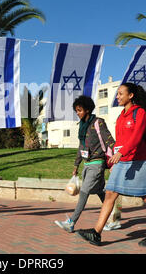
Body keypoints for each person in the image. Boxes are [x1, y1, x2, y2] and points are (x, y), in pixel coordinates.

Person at [77, 83, 146, 247]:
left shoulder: (139, 113)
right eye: (117, 94)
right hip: (122, 161)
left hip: (140, 161)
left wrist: (121, 153)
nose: (117, 96)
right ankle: (96, 233)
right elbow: (120, 141)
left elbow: (137, 137)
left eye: (120, 93)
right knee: (110, 194)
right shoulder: (121, 116)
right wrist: (113, 157)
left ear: (130, 95)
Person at [54, 95, 115, 233]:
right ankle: (114, 217)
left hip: (97, 163)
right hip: (87, 165)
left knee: (84, 192)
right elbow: (81, 147)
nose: (78, 113)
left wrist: (117, 159)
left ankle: (71, 222)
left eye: (80, 110)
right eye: (76, 110)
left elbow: (109, 140)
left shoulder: (98, 123)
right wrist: (76, 165)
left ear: (87, 110)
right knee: (100, 192)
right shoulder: (82, 126)